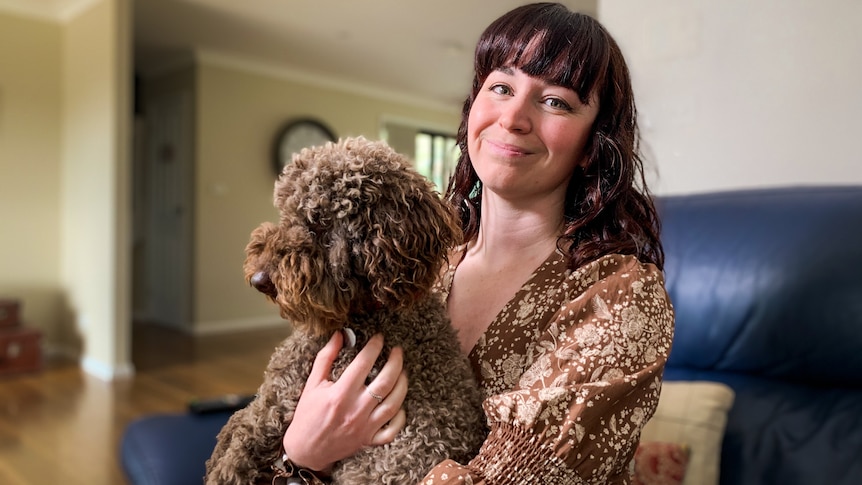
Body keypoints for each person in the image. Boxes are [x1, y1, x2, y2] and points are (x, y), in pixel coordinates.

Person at [279, 3, 674, 484]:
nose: (513, 118)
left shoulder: (619, 295)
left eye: (556, 101)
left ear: (596, 142)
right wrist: (300, 453)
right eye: (502, 87)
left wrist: (307, 456)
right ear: (473, 109)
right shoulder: (424, 265)